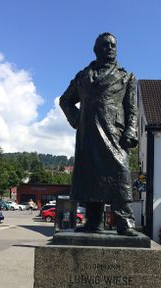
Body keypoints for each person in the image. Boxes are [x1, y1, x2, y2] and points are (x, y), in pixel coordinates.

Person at [60, 33, 138, 236]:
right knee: (90, 177)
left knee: (120, 173)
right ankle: (93, 221)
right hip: (88, 135)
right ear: (96, 49)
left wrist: (130, 131)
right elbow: (65, 100)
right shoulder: (83, 76)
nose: (110, 48)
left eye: (113, 45)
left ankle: (124, 221)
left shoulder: (125, 76)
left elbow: (132, 108)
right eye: (105, 45)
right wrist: (77, 120)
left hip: (114, 133)